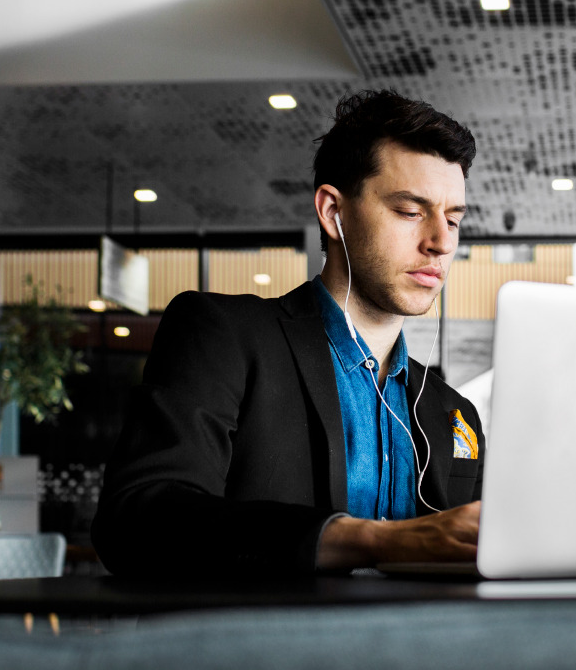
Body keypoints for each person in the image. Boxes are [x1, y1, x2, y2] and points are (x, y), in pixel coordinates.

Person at [91, 90, 484, 577]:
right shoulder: (223, 336)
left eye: (453, 219)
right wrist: (372, 540)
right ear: (332, 212)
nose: (441, 242)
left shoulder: (454, 412)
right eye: (410, 212)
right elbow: (138, 520)